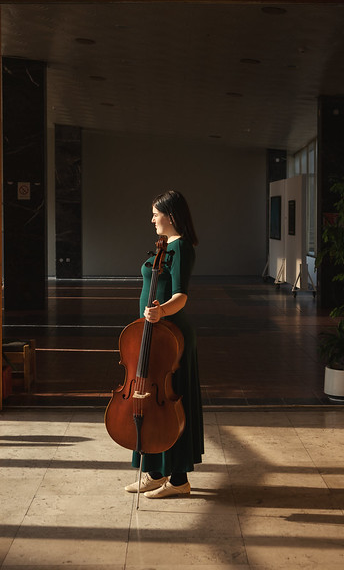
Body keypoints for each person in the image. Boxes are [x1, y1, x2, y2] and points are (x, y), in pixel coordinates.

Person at [125, 190, 204, 498]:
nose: (152, 218)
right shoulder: (164, 246)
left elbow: (181, 296)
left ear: (171, 216)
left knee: (173, 401)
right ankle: (155, 473)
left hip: (171, 333)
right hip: (153, 332)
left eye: (156, 213)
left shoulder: (182, 245)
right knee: (154, 397)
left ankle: (179, 479)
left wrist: (160, 312)